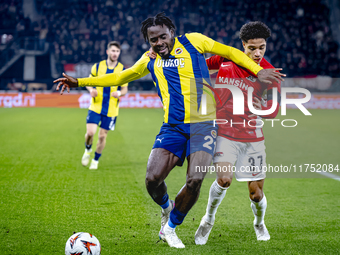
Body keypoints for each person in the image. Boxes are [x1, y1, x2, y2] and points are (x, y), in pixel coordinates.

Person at [54, 13, 284, 248]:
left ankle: (171, 227)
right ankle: (167, 207)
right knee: (152, 179)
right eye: (153, 40)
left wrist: (257, 71)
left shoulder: (194, 41)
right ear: (149, 42)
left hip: (204, 125)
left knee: (195, 179)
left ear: (172, 32)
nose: (159, 42)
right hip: (172, 127)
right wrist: (80, 82)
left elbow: (231, 52)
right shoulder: (148, 59)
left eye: (163, 36)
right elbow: (120, 76)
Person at [195, 21, 281, 245]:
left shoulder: (269, 73)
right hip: (224, 133)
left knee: (256, 194)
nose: (257, 53)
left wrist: (259, 105)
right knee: (223, 179)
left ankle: (259, 223)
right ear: (243, 45)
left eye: (262, 47)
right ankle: (208, 220)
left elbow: (274, 112)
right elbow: (195, 65)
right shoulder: (226, 58)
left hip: (252, 137)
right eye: (252, 48)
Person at [81, 41, 128, 170]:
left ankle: (95, 160)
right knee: (90, 133)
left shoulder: (122, 70)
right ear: (108, 52)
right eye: (113, 51)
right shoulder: (97, 67)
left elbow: (125, 89)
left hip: (111, 109)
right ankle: (88, 149)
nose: (115, 53)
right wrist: (91, 90)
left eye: (117, 51)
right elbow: (88, 82)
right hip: (96, 106)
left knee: (102, 136)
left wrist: (118, 92)